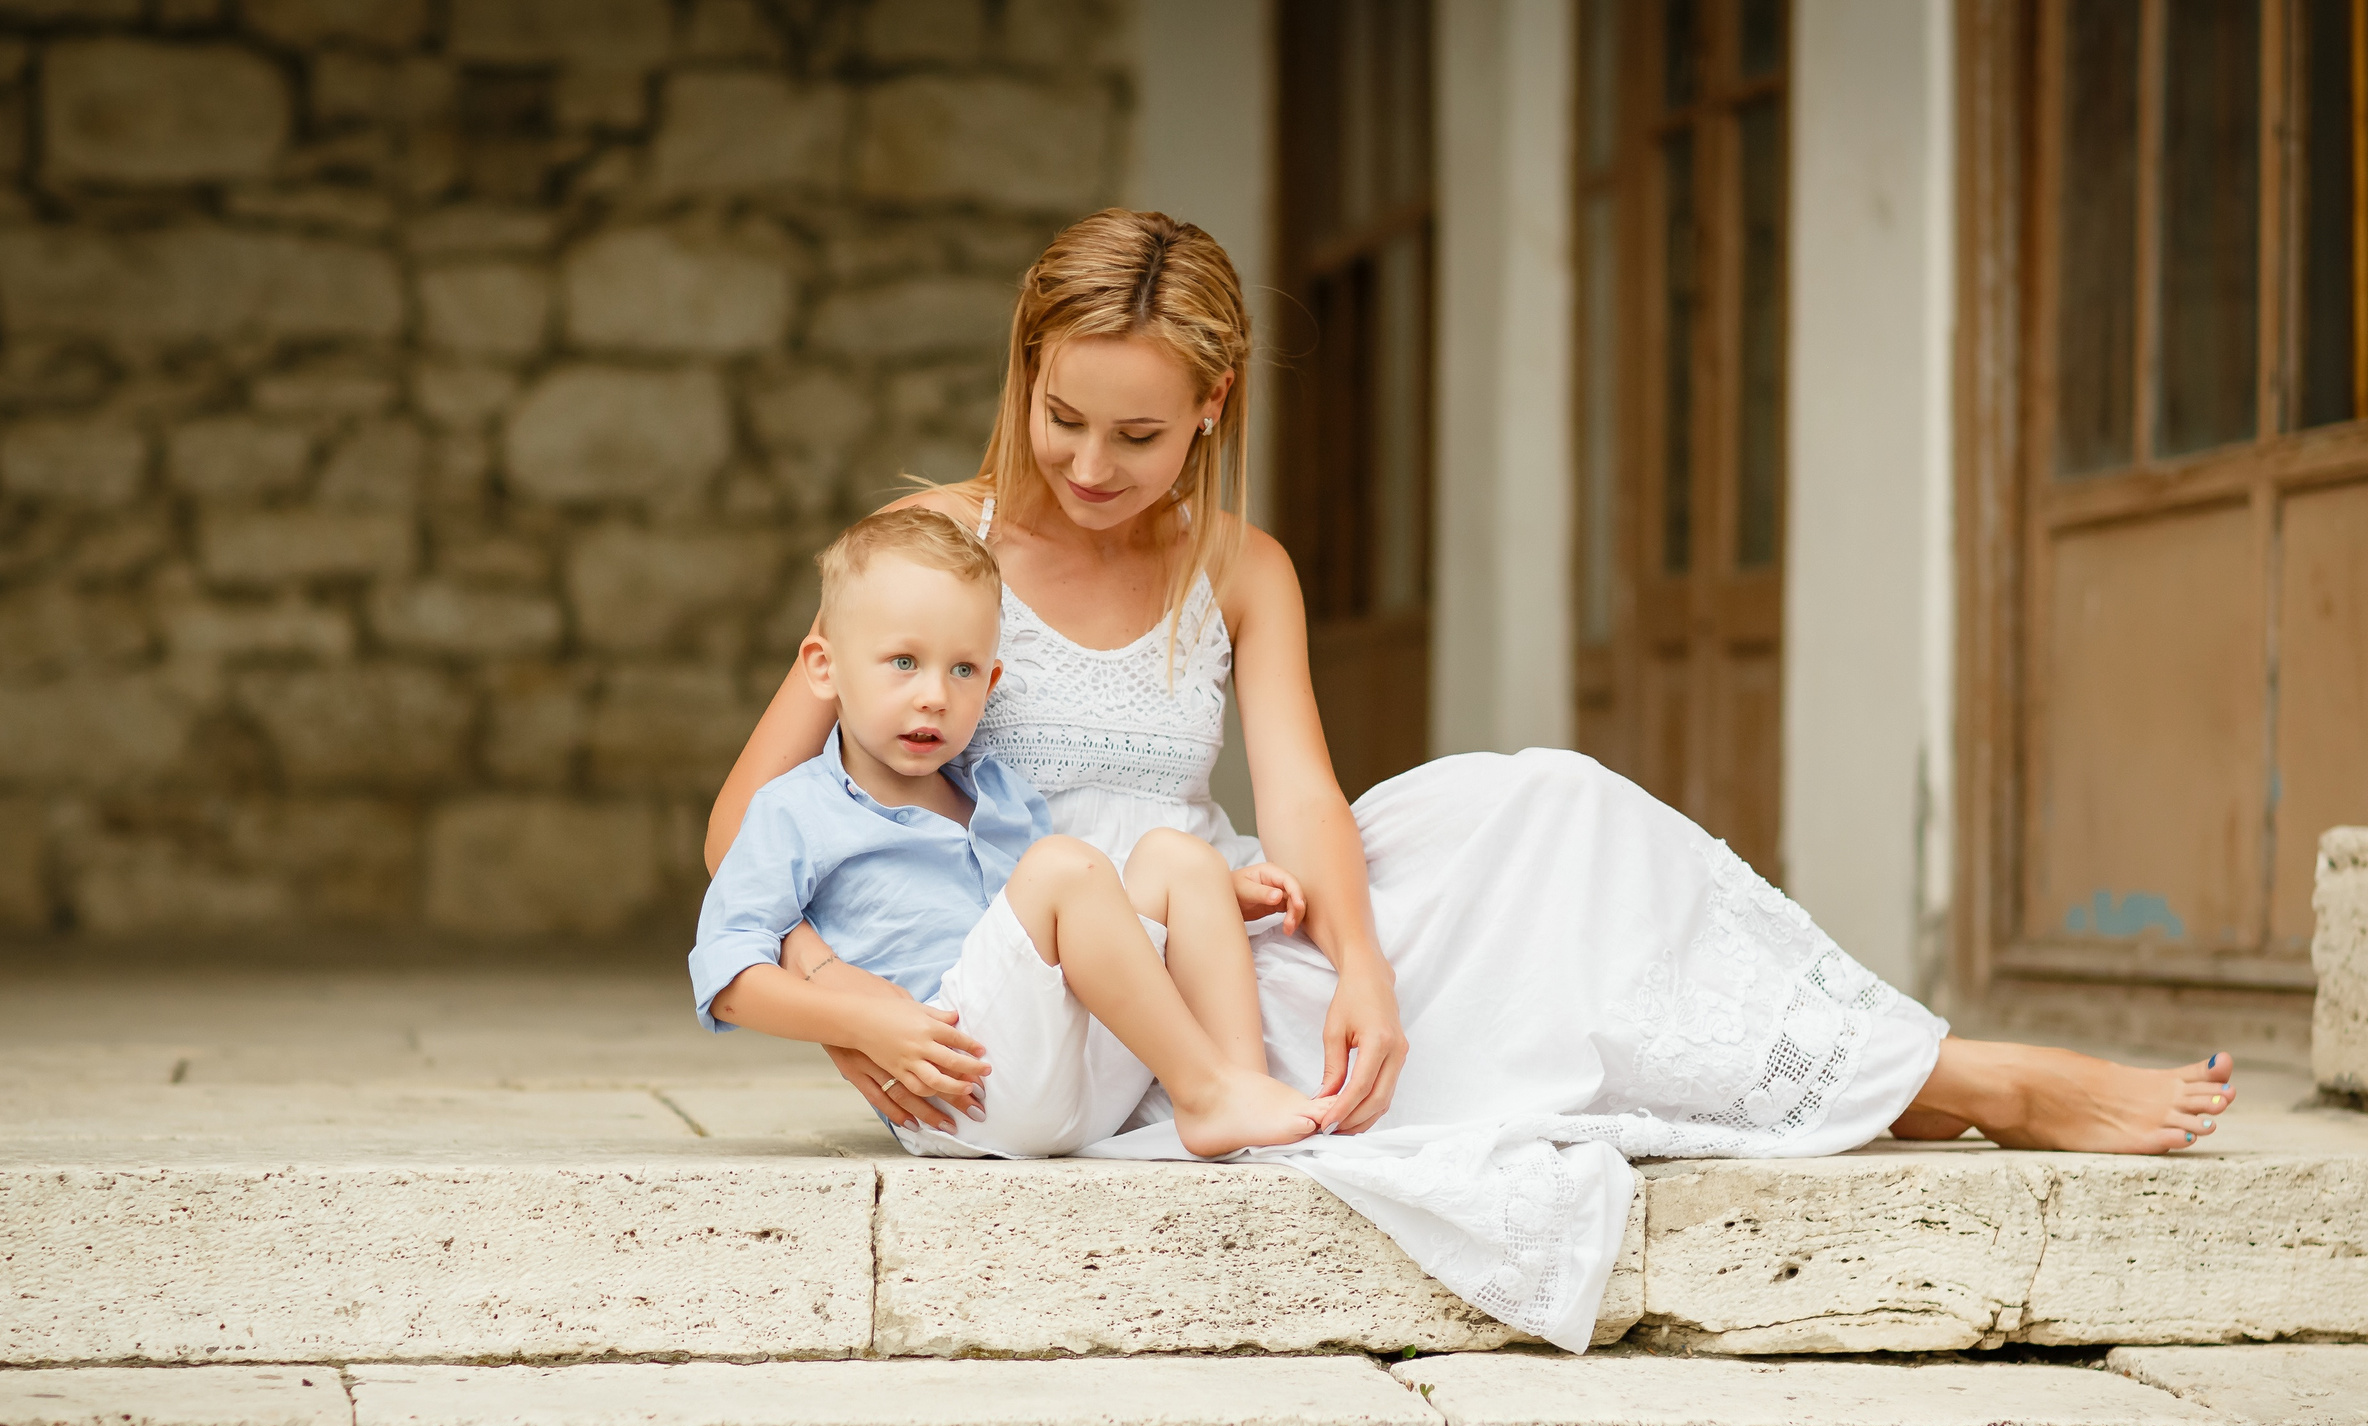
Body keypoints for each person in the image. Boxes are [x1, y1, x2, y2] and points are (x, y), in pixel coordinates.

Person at [704, 209, 2241, 1351]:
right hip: (1029, 993)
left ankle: (1883, 1071)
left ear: (1212, 414)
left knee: (1541, 807)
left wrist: (1360, 954)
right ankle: (1971, 1084)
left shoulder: (1241, 567)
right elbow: (754, 822)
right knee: (1495, 1018)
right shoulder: (933, 552)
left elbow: (1301, 795)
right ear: (1022, 372)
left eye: (1140, 434)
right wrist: (845, 998)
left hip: (1207, 941)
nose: (1092, 466)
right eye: (1062, 418)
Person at [691, 506, 1334, 1160]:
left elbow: (1079, 923)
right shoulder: (795, 811)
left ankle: (1238, 1092)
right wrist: (861, 1022)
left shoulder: (995, 795)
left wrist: (1209, 894)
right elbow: (729, 976)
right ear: (824, 667)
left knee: (1179, 859)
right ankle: (1207, 1090)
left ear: (993, 680)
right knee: (1064, 867)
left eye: (963, 670)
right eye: (903, 662)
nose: (934, 695)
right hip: (949, 1085)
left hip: (1059, 1068)